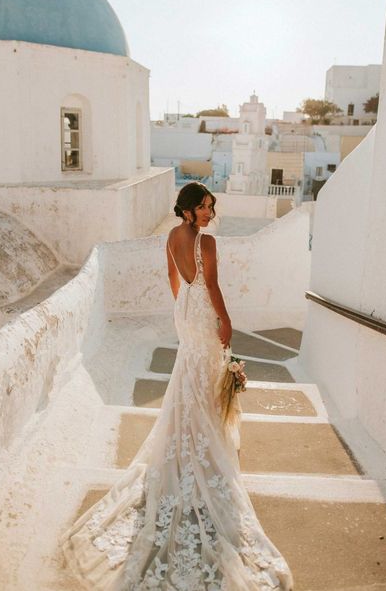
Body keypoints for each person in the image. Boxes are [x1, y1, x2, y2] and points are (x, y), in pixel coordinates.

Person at [61, 182, 293, 590]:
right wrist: (225, 321)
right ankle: (203, 453)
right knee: (203, 383)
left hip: (185, 311)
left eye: (209, 207)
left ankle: (187, 449)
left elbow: (173, 277)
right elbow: (215, 288)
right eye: (202, 208)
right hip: (202, 313)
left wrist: (183, 308)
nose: (208, 213)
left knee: (191, 381)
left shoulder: (171, 237)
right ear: (187, 210)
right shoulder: (207, 244)